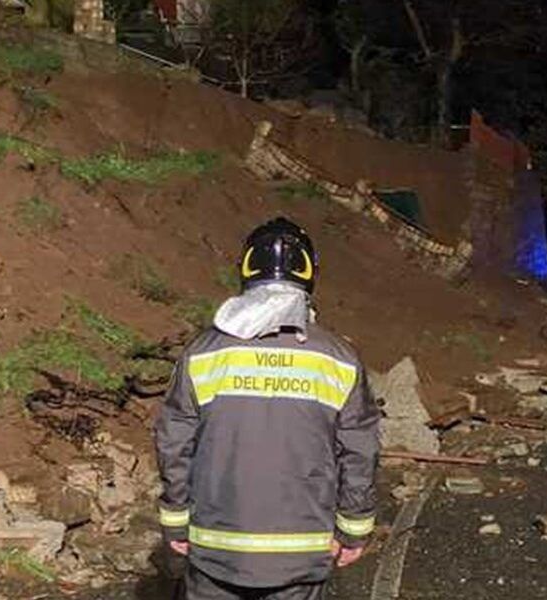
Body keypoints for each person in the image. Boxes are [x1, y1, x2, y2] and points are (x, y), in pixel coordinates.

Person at [155, 217, 381, 599]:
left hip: (215, 549)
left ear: (246, 270)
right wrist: (353, 531)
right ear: (309, 275)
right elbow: (359, 451)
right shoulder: (338, 359)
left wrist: (176, 524)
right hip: (301, 552)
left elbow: (174, 443)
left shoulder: (204, 353)